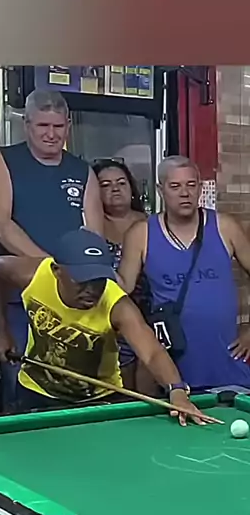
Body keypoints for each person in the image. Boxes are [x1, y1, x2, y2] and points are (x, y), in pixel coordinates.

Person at [0, 226, 215, 426]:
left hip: (97, 400)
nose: (92, 290)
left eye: (98, 280)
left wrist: (177, 390)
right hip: (36, 391)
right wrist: (1, 330)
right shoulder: (33, 275)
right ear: (57, 271)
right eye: (82, 280)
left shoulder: (116, 303)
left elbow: (152, 352)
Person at [0, 89, 104, 410]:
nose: (51, 134)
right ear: (27, 125)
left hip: (74, 302)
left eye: (58, 126)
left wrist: (74, 279)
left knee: (72, 393)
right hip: (21, 300)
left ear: (68, 126)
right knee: (23, 392)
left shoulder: (82, 171)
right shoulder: (3, 160)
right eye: (43, 126)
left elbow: (94, 236)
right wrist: (52, 269)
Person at [118, 155, 250, 391]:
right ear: (161, 190)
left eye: (191, 185)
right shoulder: (141, 234)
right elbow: (121, 291)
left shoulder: (225, 227)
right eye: (175, 186)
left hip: (229, 366)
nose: (185, 193)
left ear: (200, 187)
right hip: (172, 368)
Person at [93, 158, 151, 391]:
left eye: (121, 183)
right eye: (105, 185)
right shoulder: (91, 225)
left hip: (150, 314)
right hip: (107, 317)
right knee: (120, 387)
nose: (115, 189)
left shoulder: (151, 224)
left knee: (149, 382)